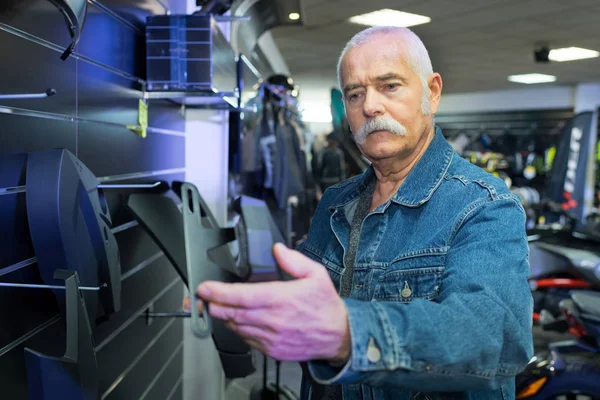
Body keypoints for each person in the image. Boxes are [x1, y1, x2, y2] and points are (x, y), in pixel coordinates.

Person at [188, 26, 533, 400]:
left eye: (390, 86)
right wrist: (250, 299)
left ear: (432, 93)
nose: (370, 106)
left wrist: (349, 334)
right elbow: (307, 301)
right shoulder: (336, 202)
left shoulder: (485, 205)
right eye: (355, 93)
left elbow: (495, 336)